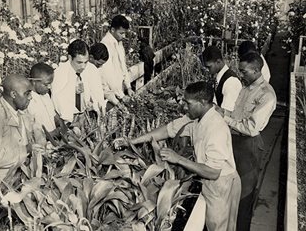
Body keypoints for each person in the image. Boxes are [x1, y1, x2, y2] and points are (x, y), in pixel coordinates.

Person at [115, 81, 241, 231]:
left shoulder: (216, 129)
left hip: (222, 184)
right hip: (211, 182)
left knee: (219, 227)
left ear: (202, 102)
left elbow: (213, 172)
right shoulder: (195, 118)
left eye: (188, 103)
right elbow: (168, 130)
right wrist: (132, 142)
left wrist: (178, 159)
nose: (185, 106)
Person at [215, 52, 276, 231]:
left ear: (257, 70)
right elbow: (236, 115)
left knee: (243, 196)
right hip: (234, 140)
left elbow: (251, 128)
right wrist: (222, 112)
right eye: (240, 71)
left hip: (249, 146)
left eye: (244, 71)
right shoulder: (246, 87)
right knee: (228, 190)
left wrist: (225, 119)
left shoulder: (266, 95)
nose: (240, 75)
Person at [0, 74, 35, 181]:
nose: (30, 97)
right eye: (27, 93)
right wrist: (25, 150)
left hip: (14, 176)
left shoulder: (16, 111)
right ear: (13, 94)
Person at [51, 39, 106, 123]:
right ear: (70, 58)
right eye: (79, 62)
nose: (83, 66)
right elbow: (59, 103)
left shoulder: (91, 69)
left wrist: (98, 109)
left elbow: (98, 93)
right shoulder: (60, 74)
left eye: (86, 62)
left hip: (86, 115)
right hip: (67, 119)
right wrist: (71, 123)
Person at [101, 15, 134, 100]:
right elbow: (108, 74)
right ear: (112, 30)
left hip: (119, 89)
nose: (123, 36)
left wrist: (128, 87)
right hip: (110, 93)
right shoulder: (106, 45)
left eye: (124, 33)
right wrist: (120, 95)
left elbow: (123, 65)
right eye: (121, 33)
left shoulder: (119, 42)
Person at [202, 45, 242, 113]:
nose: (207, 70)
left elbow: (227, 113)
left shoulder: (231, 82)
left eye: (209, 67)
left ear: (218, 62)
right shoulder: (218, 77)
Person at [27, 62, 57, 145]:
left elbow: (53, 115)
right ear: (34, 82)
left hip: (54, 142)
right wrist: (53, 134)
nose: (50, 87)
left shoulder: (46, 95)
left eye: (51, 83)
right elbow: (31, 134)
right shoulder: (28, 102)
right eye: (46, 84)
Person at [89, 42, 124, 111]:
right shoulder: (82, 69)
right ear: (91, 57)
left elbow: (104, 89)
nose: (100, 67)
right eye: (98, 64)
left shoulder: (97, 70)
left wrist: (117, 103)